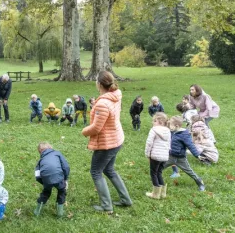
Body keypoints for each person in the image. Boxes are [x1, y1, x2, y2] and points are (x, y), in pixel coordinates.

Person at [81, 71, 132, 214]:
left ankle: (106, 206)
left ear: (99, 84)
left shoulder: (103, 103)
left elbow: (96, 128)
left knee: (96, 171)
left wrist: (84, 131)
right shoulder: (116, 94)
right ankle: (125, 200)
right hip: (116, 139)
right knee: (109, 170)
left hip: (107, 143)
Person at [163, 116, 205, 191]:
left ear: (177, 126)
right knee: (159, 168)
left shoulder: (184, 135)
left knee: (189, 171)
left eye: (171, 125)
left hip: (180, 158)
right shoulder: (172, 132)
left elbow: (191, 145)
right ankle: (157, 183)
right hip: (170, 157)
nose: (169, 127)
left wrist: (197, 155)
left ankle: (200, 183)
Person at [34, 142, 70, 218]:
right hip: (59, 178)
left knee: (46, 193)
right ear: (51, 147)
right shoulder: (57, 154)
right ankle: (60, 213)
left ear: (40, 152)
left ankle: (37, 212)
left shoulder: (40, 160)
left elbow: (37, 176)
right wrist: (65, 179)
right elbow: (66, 167)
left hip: (46, 179)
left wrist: (44, 182)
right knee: (62, 191)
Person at [144, 113, 171, 199]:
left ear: (160, 121)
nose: (153, 122)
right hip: (164, 156)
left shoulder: (154, 130)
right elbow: (169, 144)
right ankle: (162, 193)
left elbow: (149, 143)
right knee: (159, 172)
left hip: (155, 156)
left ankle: (155, 194)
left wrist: (147, 154)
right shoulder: (168, 131)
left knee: (153, 173)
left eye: (154, 121)